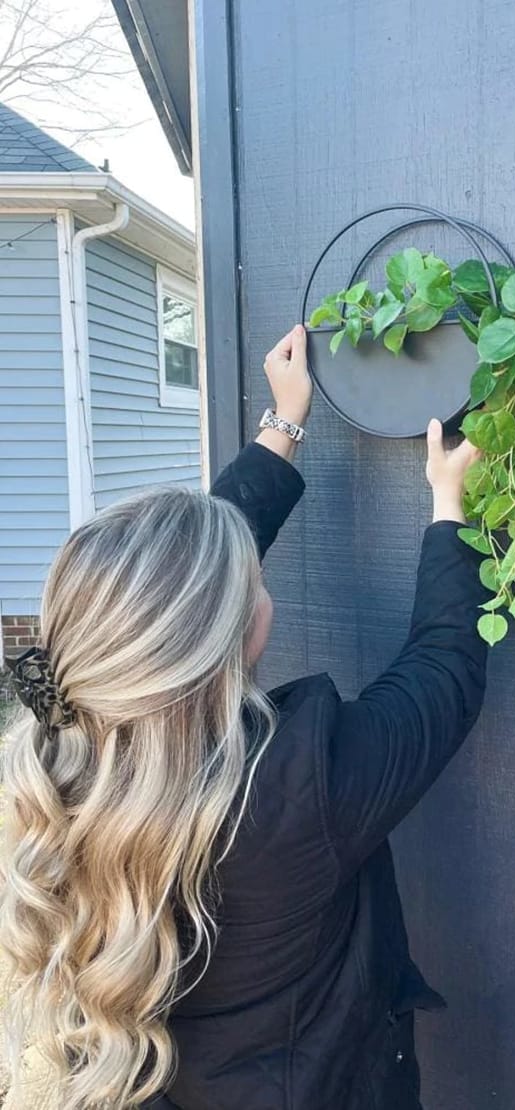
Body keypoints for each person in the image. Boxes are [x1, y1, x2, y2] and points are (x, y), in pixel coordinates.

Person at [0, 324, 488, 1110]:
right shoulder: (298, 790)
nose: (264, 589)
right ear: (235, 636)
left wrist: (282, 425)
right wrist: (449, 503)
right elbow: (444, 674)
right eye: (252, 586)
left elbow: (173, 591)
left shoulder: (66, 756)